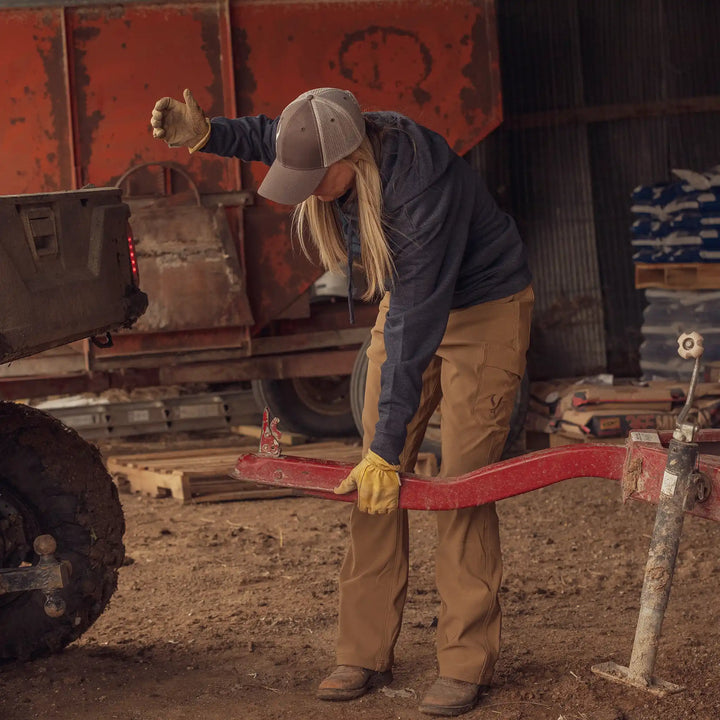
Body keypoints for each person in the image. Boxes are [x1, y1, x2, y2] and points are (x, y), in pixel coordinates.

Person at [150, 87, 533, 716]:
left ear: (351, 157)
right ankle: (362, 651)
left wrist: (388, 446)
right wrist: (209, 133)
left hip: (481, 309)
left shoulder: (418, 191)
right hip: (413, 303)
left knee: (463, 484)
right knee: (371, 484)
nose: (302, 189)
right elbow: (270, 135)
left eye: (312, 179)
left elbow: (415, 321)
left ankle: (465, 662)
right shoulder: (325, 132)